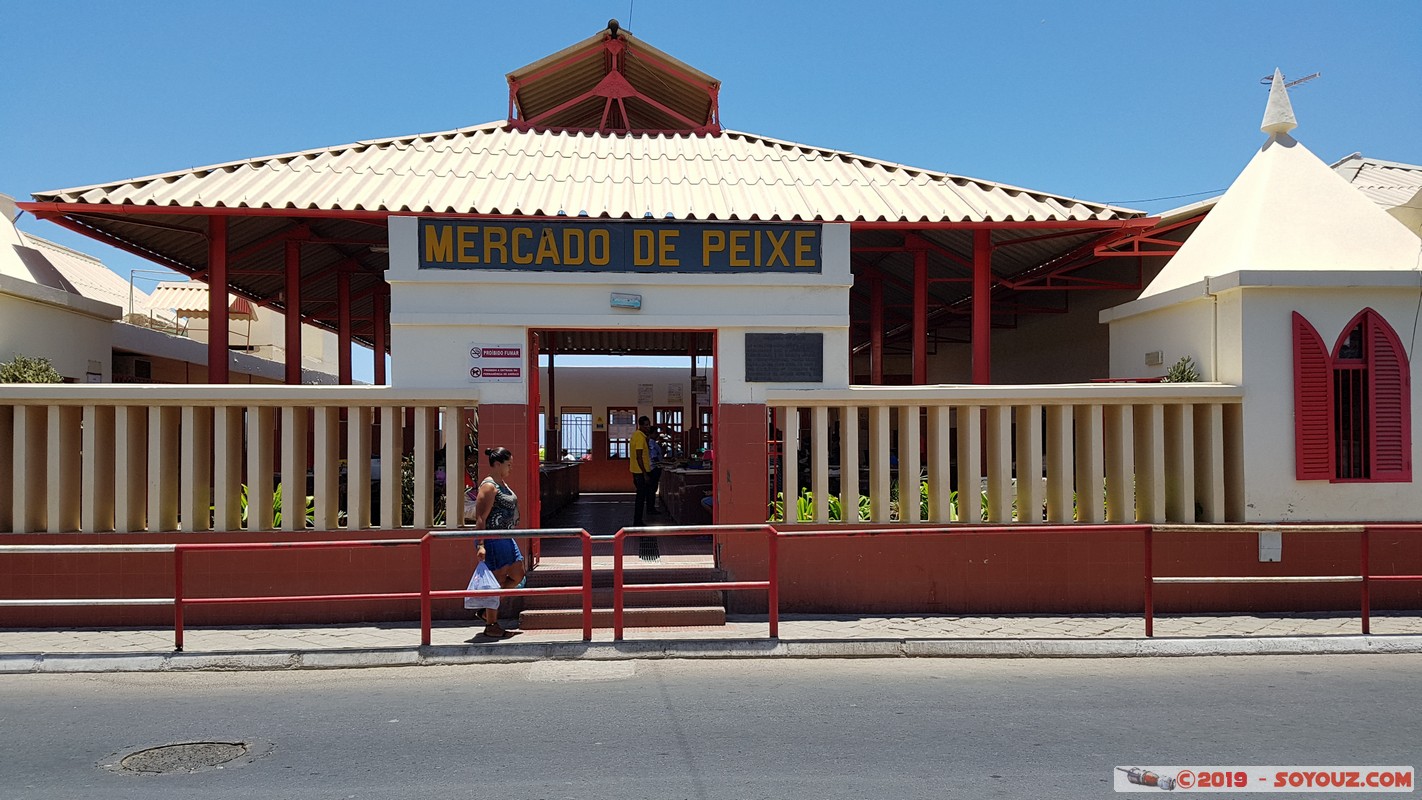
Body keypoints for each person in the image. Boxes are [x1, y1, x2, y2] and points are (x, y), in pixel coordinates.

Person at [469, 446, 526, 638]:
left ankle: (487, 610)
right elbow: (480, 518)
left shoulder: (502, 483)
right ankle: (491, 624)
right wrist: (481, 544)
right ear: (498, 464)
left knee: (518, 574)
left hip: (506, 537)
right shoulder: (489, 486)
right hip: (493, 539)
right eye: (508, 464)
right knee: (498, 579)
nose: (511, 468)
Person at [629, 415, 654, 527]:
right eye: (646, 425)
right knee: (640, 498)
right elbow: (639, 457)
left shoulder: (638, 435)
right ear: (641, 425)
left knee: (641, 496)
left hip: (636, 471)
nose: (648, 427)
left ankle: (638, 519)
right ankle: (637, 521)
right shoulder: (639, 437)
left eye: (649, 424)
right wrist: (645, 474)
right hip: (640, 472)